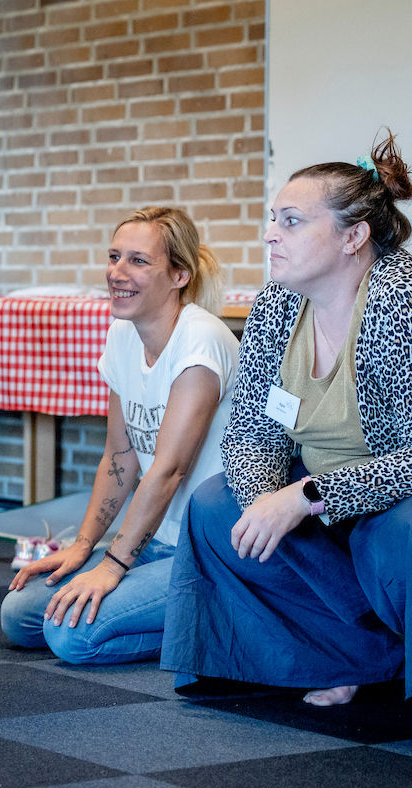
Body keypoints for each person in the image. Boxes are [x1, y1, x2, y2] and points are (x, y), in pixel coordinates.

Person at [161, 130, 412, 706]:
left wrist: (305, 497)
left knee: (397, 537)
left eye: (292, 222)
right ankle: (357, 655)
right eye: (273, 219)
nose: (270, 233)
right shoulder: (277, 303)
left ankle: (377, 656)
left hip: (394, 500)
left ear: (353, 237)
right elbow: (251, 431)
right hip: (323, 496)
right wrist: (265, 502)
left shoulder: (401, 302)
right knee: (217, 505)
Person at [0, 207, 239, 664]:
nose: (117, 272)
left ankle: (222, 622)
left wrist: (113, 565)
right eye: (114, 257)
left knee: (71, 637)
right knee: (21, 615)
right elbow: (119, 454)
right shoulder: (123, 334)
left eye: (138, 261)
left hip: (207, 551)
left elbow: (168, 471)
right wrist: (83, 547)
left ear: (179, 276)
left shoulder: (200, 340)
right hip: (155, 539)